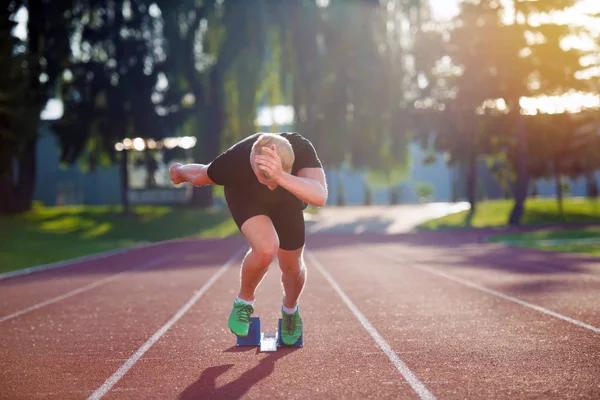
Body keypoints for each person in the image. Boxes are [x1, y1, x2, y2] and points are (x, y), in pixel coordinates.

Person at [169, 132, 327, 346]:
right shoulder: (234, 161)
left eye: (273, 180)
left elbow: (320, 196)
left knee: (292, 267)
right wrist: (179, 172)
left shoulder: (300, 148)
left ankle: (290, 310)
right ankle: (244, 301)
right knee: (266, 248)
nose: (270, 186)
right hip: (246, 196)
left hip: (288, 195)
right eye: (266, 179)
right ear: (253, 163)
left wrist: (280, 177)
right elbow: (200, 175)